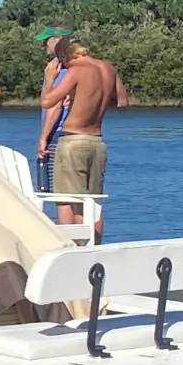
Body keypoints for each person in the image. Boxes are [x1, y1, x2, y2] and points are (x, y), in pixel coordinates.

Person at [39, 39, 128, 240]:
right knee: (93, 203)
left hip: (72, 140)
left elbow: (47, 101)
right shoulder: (107, 68)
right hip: (96, 141)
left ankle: (80, 248)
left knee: (75, 202)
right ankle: (95, 247)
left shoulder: (76, 70)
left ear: (65, 57)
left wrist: (50, 78)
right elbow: (121, 102)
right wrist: (89, 99)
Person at [32, 27, 73, 192]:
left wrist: (43, 137)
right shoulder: (75, 68)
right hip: (77, 134)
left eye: (46, 41)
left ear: (57, 40)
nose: (44, 46)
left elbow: (54, 104)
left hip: (58, 134)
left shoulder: (60, 70)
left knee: (59, 192)